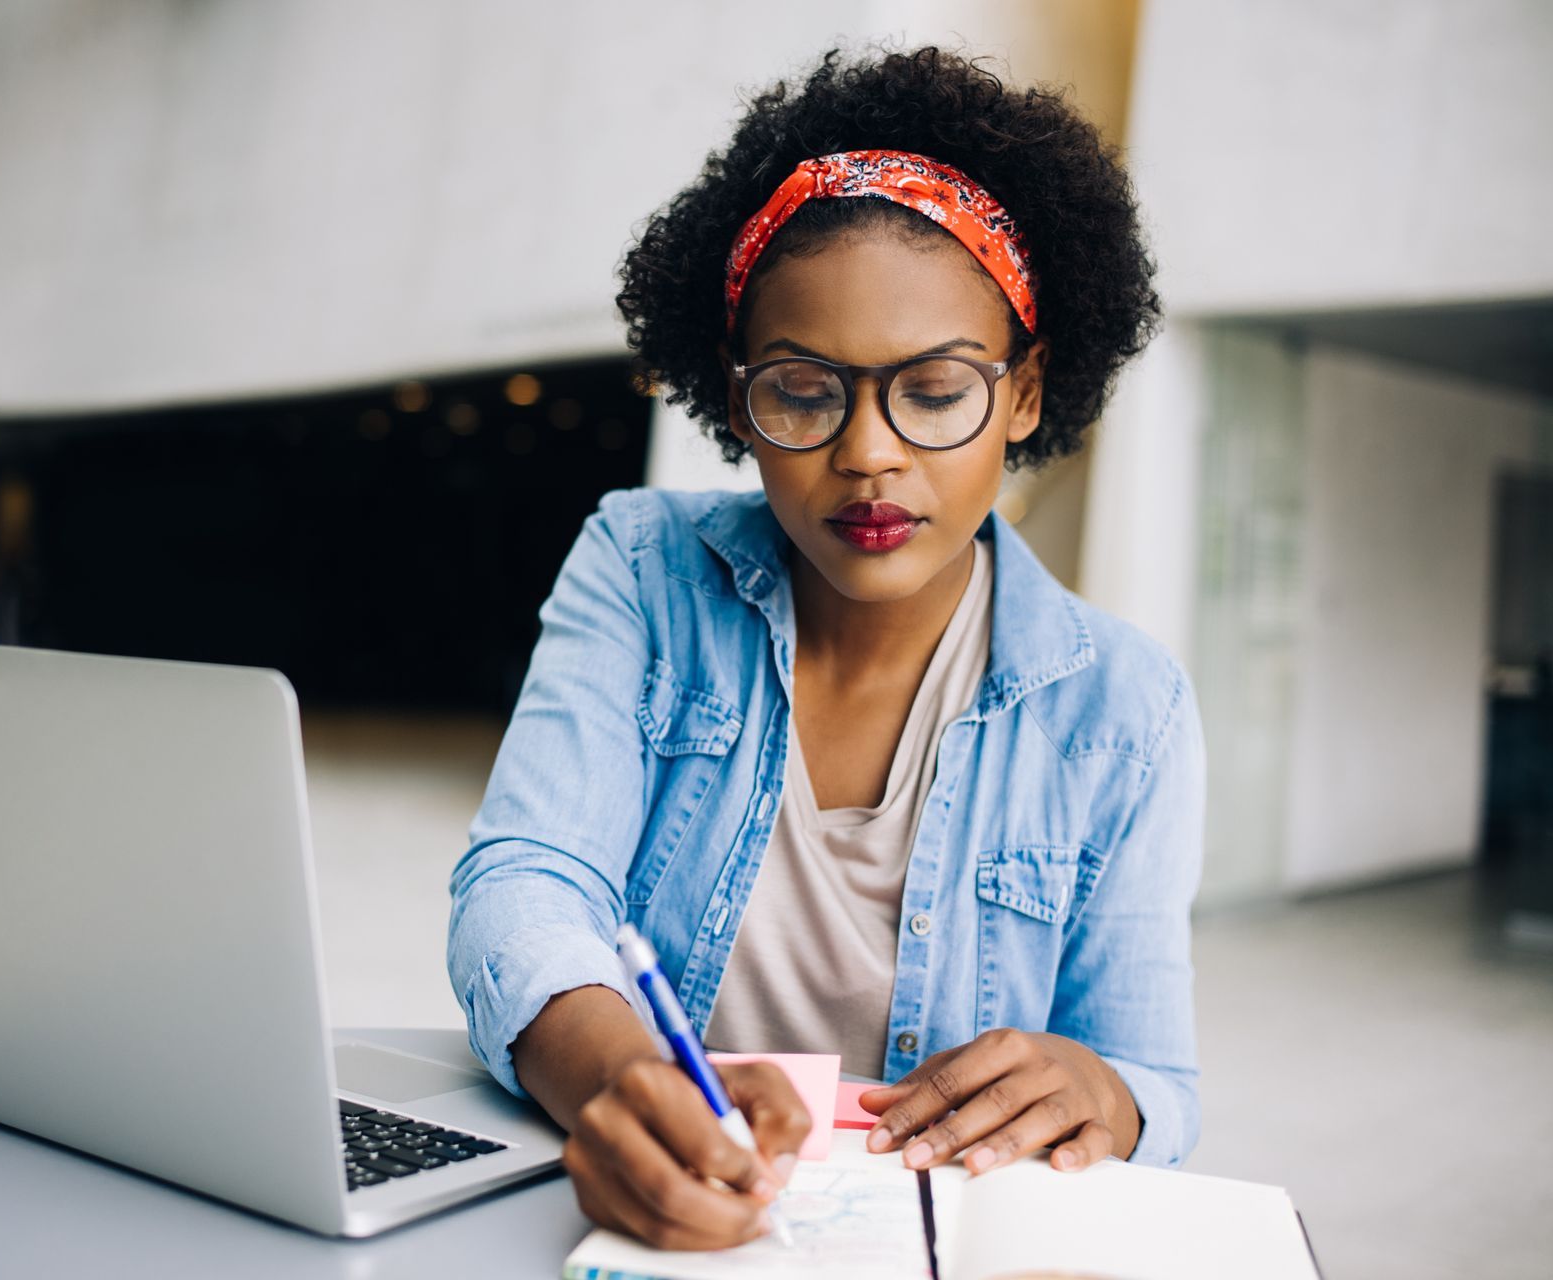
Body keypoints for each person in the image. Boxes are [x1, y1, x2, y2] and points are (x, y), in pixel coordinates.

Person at [447, 44, 1202, 1251]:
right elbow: (526, 881)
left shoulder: (1126, 707)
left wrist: (1104, 1090)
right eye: (803, 392)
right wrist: (624, 1083)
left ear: (1023, 393)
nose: (867, 454)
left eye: (937, 390)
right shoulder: (644, 568)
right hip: (654, 1238)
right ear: (734, 392)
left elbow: (1156, 1076)